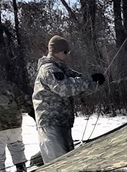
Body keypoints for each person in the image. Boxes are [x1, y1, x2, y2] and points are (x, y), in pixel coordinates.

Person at [32, 35, 104, 163]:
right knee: (58, 163)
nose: (67, 55)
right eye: (65, 52)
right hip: (50, 123)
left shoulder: (61, 68)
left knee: (68, 161)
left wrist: (93, 80)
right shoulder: (48, 69)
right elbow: (65, 88)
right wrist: (88, 81)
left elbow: (78, 79)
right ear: (57, 52)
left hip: (62, 122)